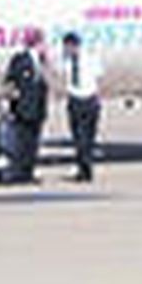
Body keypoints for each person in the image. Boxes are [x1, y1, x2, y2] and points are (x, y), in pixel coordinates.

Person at [0, 30, 49, 185]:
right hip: (23, 108)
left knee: (33, 143)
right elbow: (10, 80)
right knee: (21, 142)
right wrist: (10, 98)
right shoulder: (20, 60)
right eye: (42, 43)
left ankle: (28, 171)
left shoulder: (41, 62)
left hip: (37, 109)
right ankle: (17, 172)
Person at [60, 31, 104, 182]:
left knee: (88, 138)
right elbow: (64, 79)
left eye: (67, 46)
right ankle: (84, 169)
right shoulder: (66, 61)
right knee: (79, 138)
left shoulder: (90, 58)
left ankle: (86, 168)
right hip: (75, 100)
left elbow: (98, 76)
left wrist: (96, 97)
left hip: (90, 99)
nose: (66, 50)